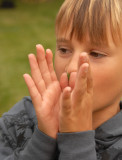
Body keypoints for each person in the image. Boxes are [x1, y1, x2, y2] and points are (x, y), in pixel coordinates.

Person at [0, 0, 122, 159]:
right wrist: (43, 139)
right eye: (64, 50)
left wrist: (77, 140)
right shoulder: (19, 120)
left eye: (95, 54)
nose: (71, 67)